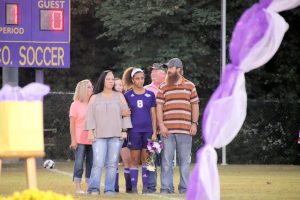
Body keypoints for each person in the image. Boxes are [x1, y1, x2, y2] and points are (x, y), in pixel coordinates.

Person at [156, 58, 199, 194]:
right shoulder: (163, 86)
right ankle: (165, 188)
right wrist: (161, 125)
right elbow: (159, 107)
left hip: (185, 129)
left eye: (170, 68)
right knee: (166, 161)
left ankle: (184, 188)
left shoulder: (190, 86)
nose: (168, 71)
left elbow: (195, 105)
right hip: (167, 130)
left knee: (185, 162)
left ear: (179, 70)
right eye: (167, 68)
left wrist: (194, 123)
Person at [85, 70, 132, 195]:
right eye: (108, 79)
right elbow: (90, 116)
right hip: (99, 135)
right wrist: (90, 131)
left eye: (112, 79)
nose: (111, 81)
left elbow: (126, 113)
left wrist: (124, 130)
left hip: (116, 135)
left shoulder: (120, 96)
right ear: (103, 80)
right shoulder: (94, 97)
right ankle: (93, 188)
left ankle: (109, 189)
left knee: (112, 164)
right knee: (98, 163)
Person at [122, 67, 157, 193]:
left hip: (148, 131)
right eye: (137, 78)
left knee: (147, 159)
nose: (140, 81)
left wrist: (154, 132)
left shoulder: (150, 94)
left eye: (142, 78)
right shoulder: (127, 95)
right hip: (134, 132)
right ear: (132, 80)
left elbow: (153, 115)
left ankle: (146, 187)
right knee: (134, 160)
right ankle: (134, 188)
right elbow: (124, 114)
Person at [144, 63, 167, 193]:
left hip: (165, 132)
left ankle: (165, 187)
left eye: (156, 71)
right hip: (152, 133)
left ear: (164, 74)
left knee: (166, 161)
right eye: (152, 71)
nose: (152, 73)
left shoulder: (169, 88)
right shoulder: (146, 90)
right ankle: (151, 187)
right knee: (151, 161)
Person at [69, 79, 94, 194]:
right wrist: (73, 140)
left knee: (91, 163)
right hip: (80, 140)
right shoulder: (75, 104)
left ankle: (90, 186)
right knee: (79, 164)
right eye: (89, 87)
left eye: (91, 86)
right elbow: (72, 124)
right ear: (83, 89)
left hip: (92, 139)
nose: (92, 88)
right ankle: (78, 187)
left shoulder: (94, 102)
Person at [114, 78, 133, 193]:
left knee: (128, 160)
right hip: (111, 133)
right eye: (117, 85)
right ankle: (114, 186)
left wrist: (124, 130)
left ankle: (129, 187)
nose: (119, 87)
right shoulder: (107, 99)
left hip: (124, 133)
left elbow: (128, 115)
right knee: (113, 161)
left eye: (121, 85)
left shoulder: (126, 99)